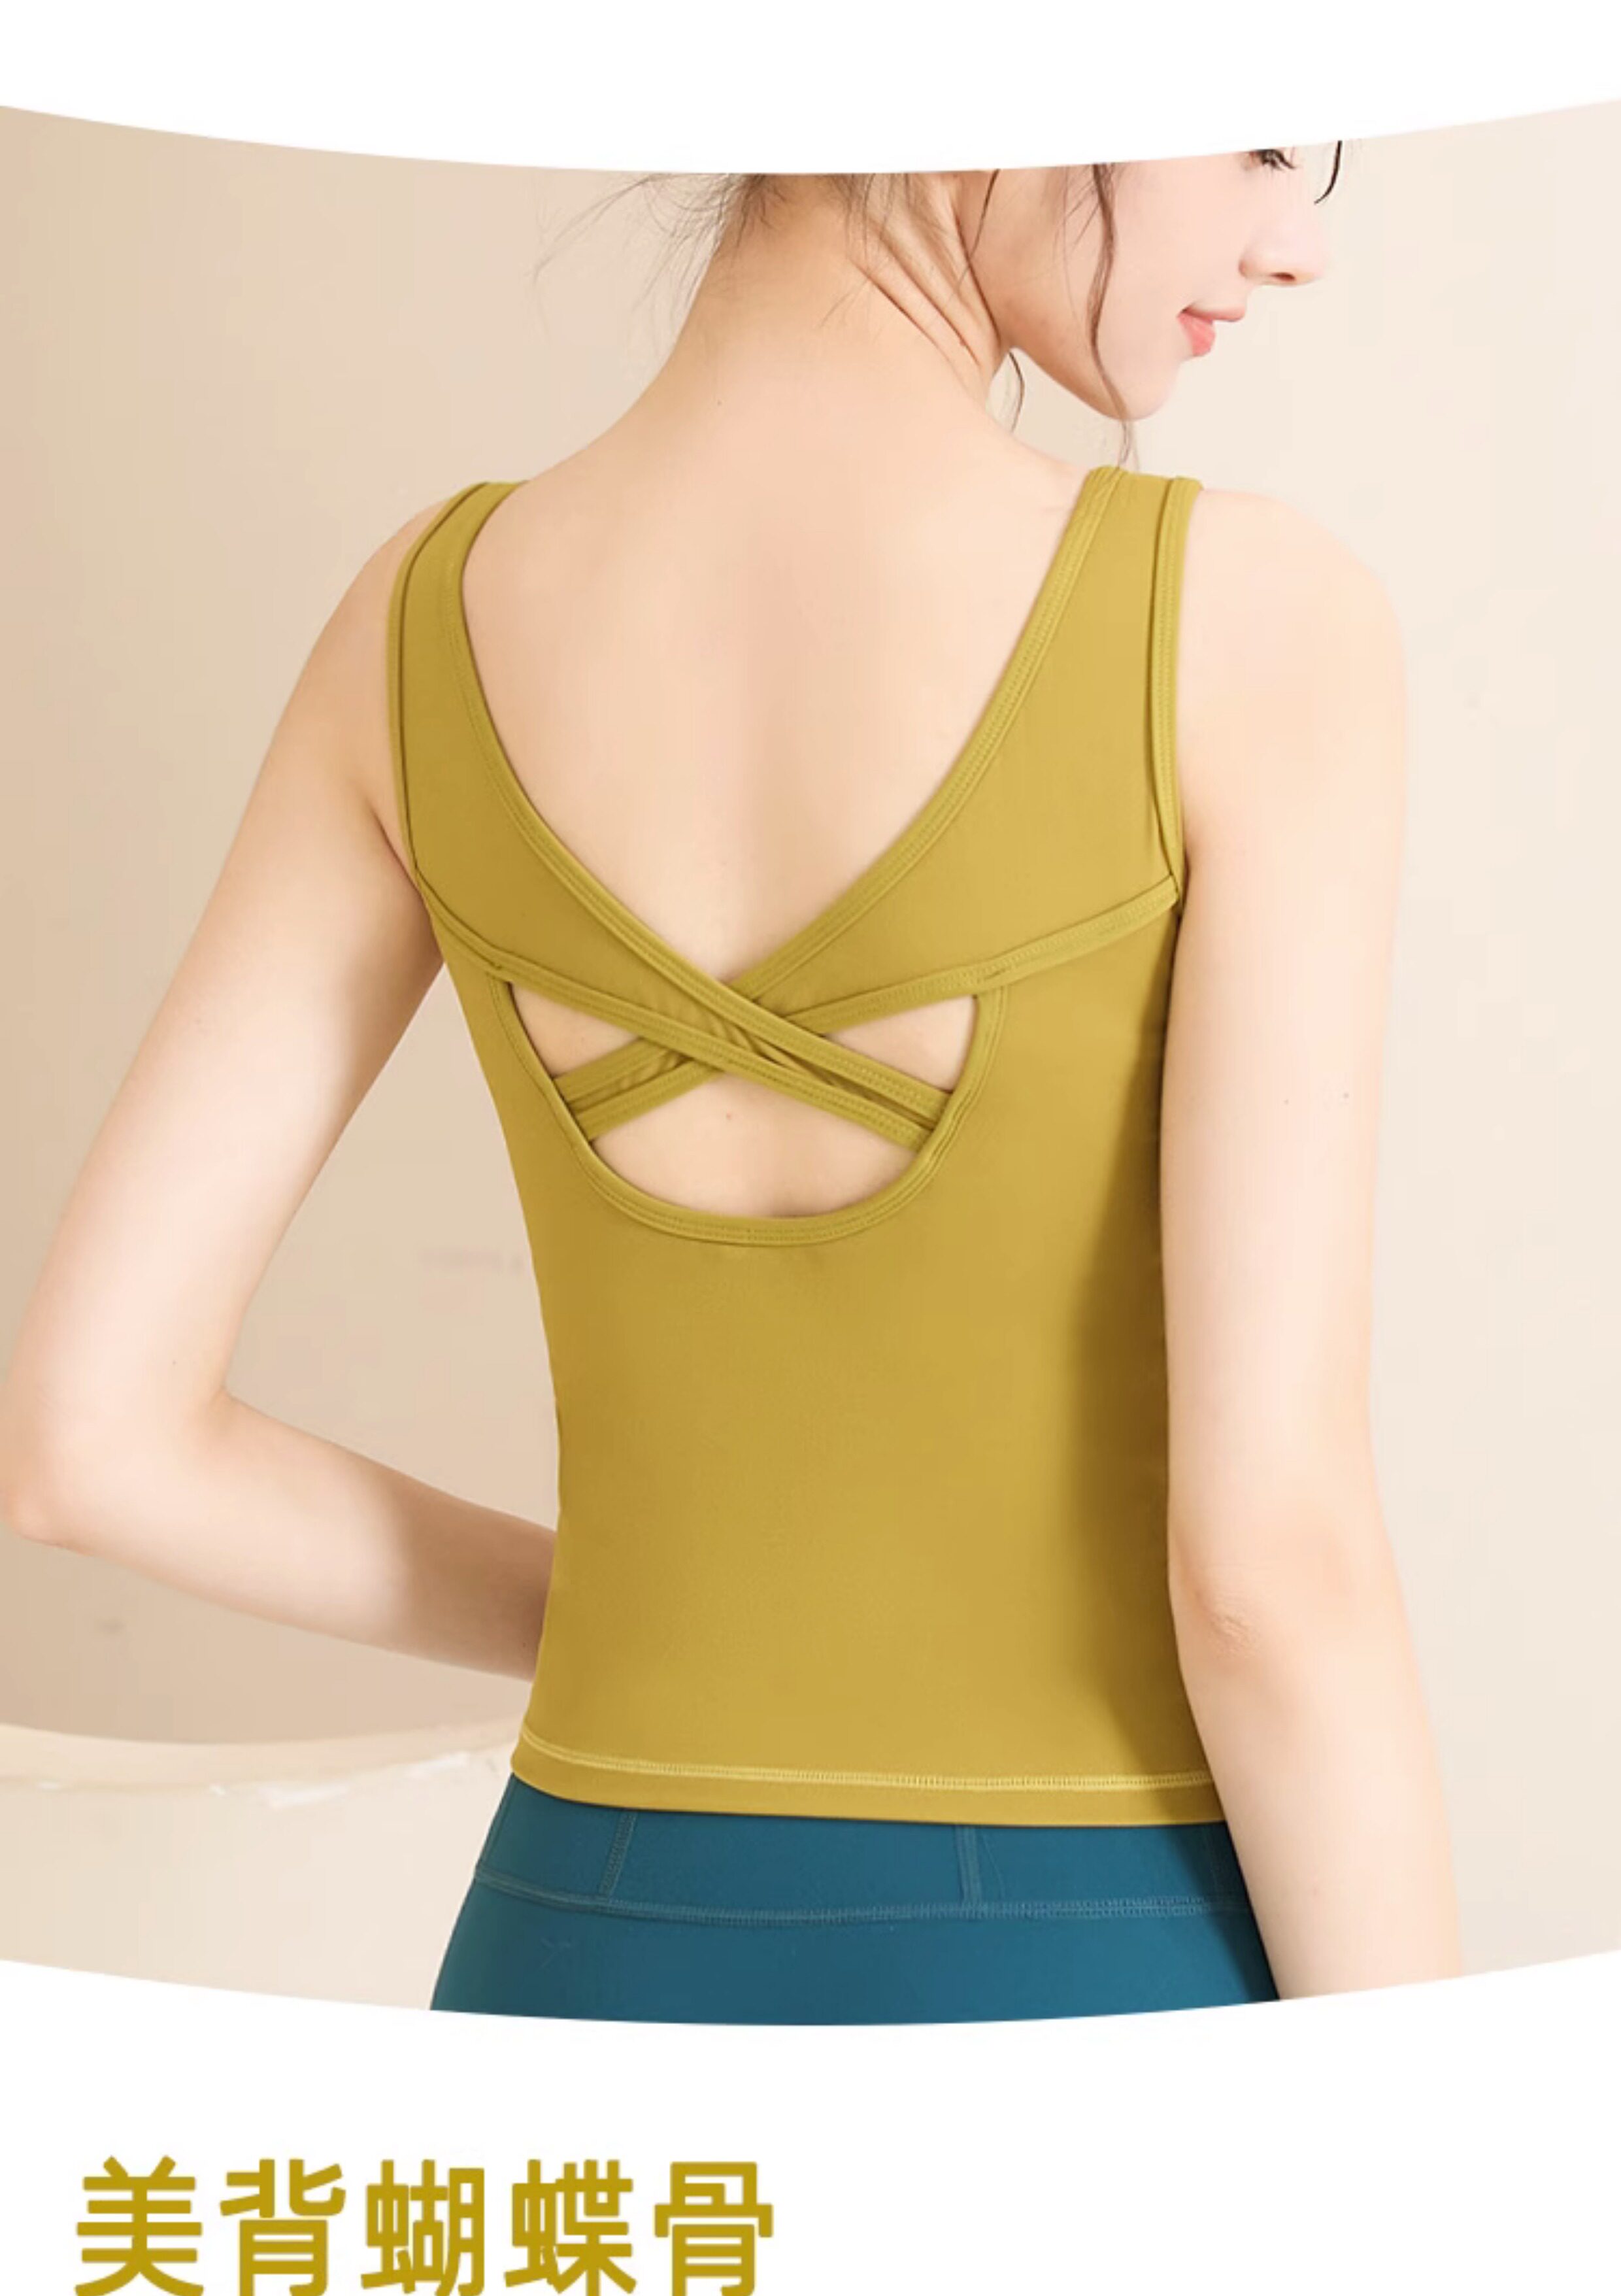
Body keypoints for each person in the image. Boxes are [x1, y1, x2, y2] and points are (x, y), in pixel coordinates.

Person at [0, 156, 1462, 2024]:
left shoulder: (421, 619)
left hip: (573, 1941)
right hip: (1092, 1955)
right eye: (1256, 135)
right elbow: (1268, 1574)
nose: (1296, 238)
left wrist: (669, 1624)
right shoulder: (1244, 617)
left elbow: (89, 1441)